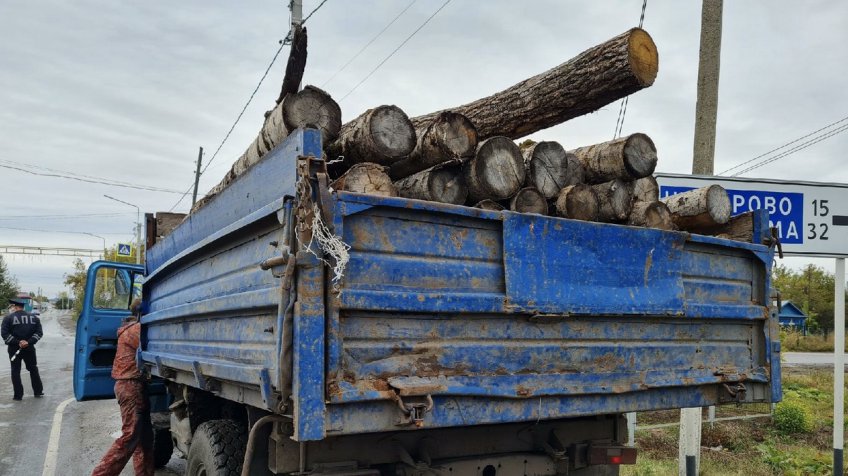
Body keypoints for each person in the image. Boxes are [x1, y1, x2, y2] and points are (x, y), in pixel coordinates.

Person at [91, 300, 153, 476]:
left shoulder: (130, 328)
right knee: (130, 436)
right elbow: (154, 344)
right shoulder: (135, 330)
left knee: (144, 438)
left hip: (134, 385)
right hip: (130, 386)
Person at [1, 298, 44, 400]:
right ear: (23, 307)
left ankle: (18, 395)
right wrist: (28, 342)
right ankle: (38, 392)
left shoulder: (8, 318)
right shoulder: (34, 318)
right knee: (33, 369)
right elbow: (39, 333)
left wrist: (17, 342)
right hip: (29, 348)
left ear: (15, 307)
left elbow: (4, 334)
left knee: (15, 371)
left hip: (14, 349)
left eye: (12, 307)